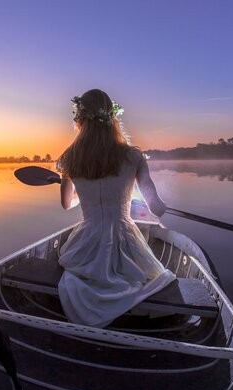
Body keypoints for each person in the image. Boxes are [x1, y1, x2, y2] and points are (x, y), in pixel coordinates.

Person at [56, 88, 176, 328]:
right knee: (149, 277)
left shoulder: (70, 158)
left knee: (76, 272)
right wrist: (160, 206)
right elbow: (154, 205)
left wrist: (76, 189)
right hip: (124, 241)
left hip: (86, 244)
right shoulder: (133, 156)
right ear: (113, 117)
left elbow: (67, 204)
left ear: (80, 119)